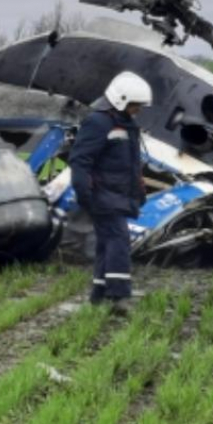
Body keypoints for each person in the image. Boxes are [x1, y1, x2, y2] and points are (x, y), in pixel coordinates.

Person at [69, 71, 152, 305]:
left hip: (117, 195)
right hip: (103, 196)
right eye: (136, 105)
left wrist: (139, 190)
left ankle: (98, 294)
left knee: (107, 243)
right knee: (119, 239)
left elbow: (132, 165)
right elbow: (80, 161)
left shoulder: (127, 126)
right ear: (121, 100)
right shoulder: (98, 122)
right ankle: (119, 295)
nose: (138, 110)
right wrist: (85, 193)